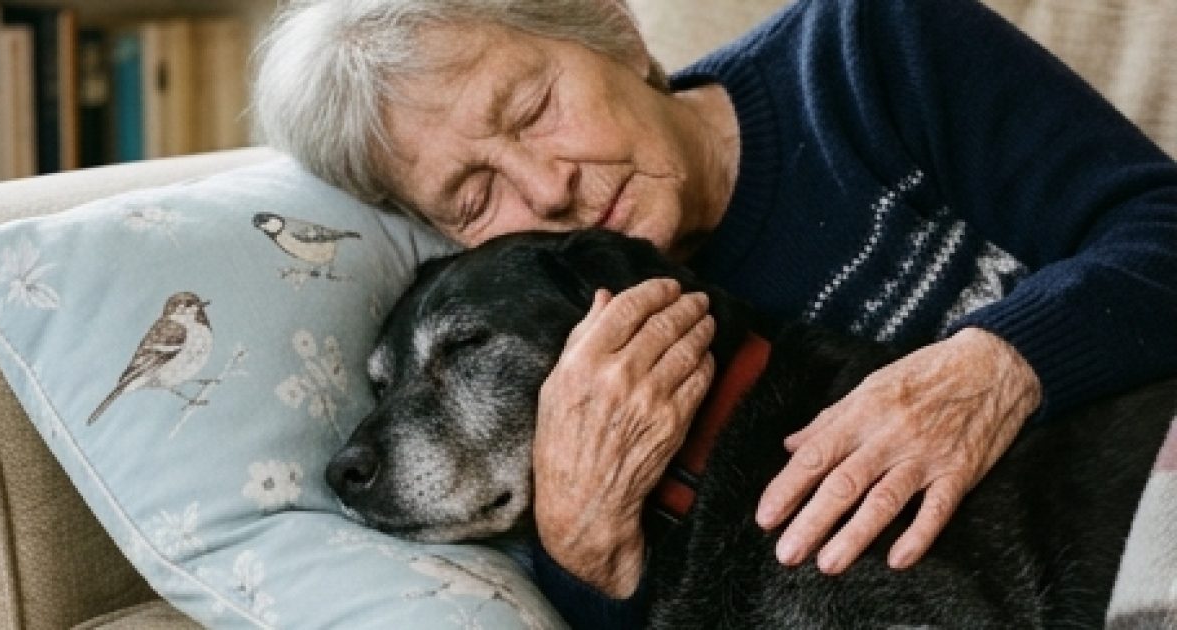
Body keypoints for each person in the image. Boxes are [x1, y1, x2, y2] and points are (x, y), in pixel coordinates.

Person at [254, 0, 1177, 626]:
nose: (547, 187)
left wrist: (993, 367)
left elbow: (1160, 226)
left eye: (533, 108)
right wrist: (587, 548)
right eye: (472, 194)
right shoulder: (550, 329)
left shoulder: (872, 47)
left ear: (614, 32)